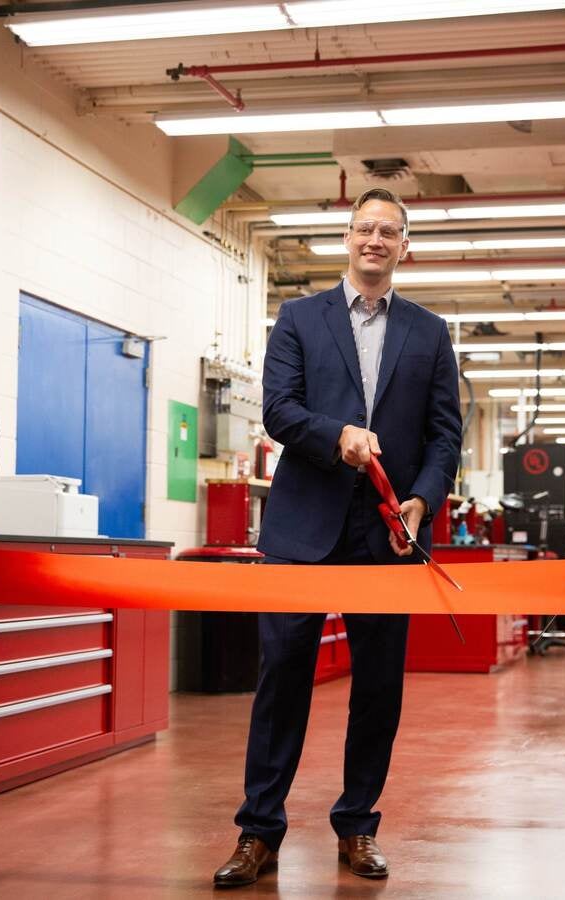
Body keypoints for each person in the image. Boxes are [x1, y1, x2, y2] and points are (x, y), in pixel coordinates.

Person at [213, 187, 462, 888]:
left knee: (378, 687)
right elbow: (280, 411)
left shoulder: (429, 331)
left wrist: (420, 500)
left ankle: (357, 825)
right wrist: (338, 436)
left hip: (387, 532)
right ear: (347, 240)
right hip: (303, 528)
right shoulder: (299, 318)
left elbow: (446, 434)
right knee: (281, 680)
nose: (373, 240)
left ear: (404, 246)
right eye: (363, 229)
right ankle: (258, 831)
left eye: (388, 231)